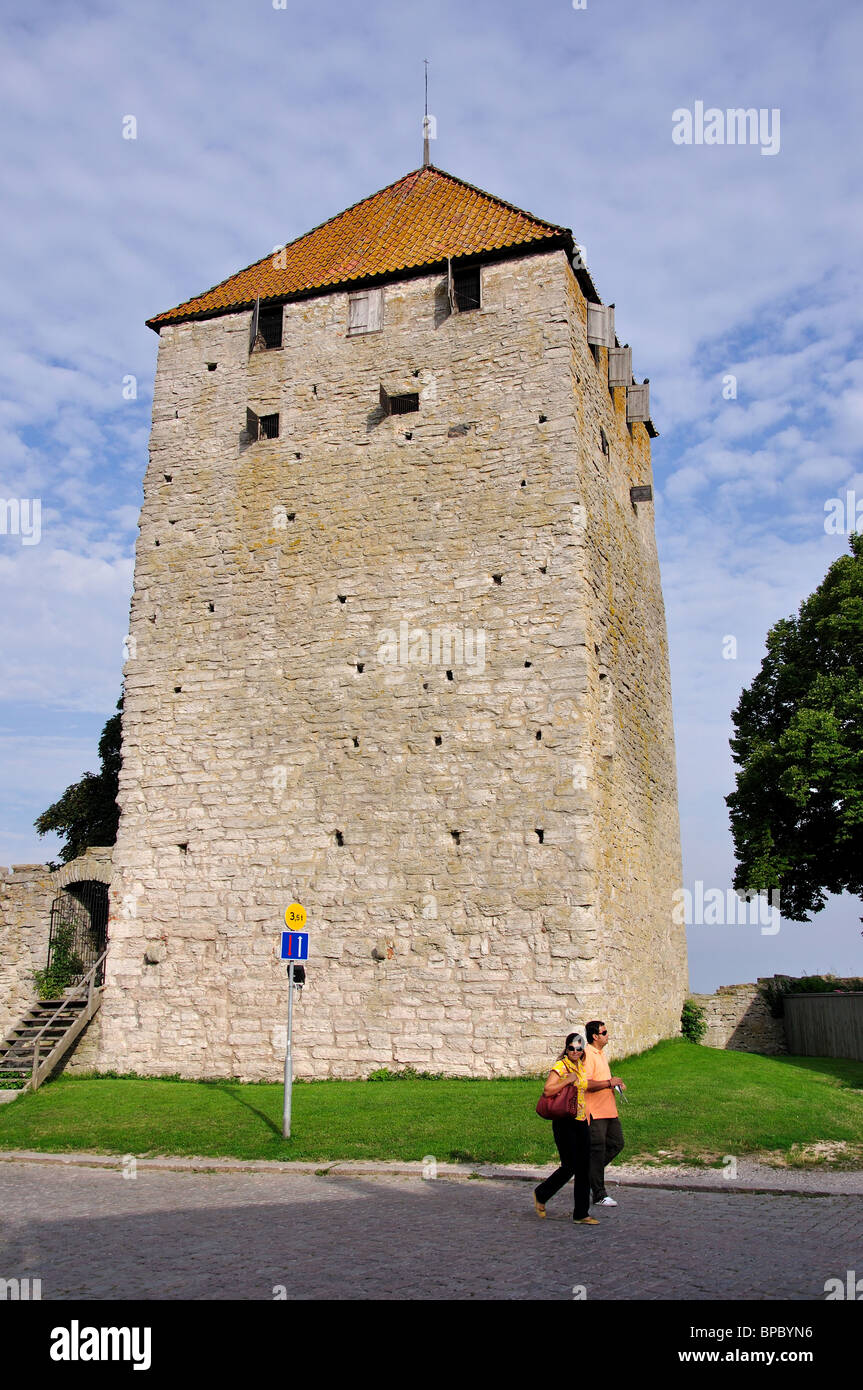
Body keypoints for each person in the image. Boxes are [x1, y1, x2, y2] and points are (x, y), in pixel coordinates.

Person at [533, 1030, 598, 1225]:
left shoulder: (580, 1066)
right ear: (566, 1048)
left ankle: (581, 1213)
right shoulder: (561, 1066)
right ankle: (541, 1194)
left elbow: (585, 1086)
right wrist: (566, 1081)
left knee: (584, 1167)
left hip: (580, 1120)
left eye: (579, 1048)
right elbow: (547, 1090)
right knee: (569, 1166)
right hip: (563, 1121)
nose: (575, 1051)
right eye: (572, 1048)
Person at [584, 1019, 626, 1207]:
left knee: (617, 1143)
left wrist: (615, 1083)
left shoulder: (600, 1053)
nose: (607, 1035)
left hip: (609, 1110)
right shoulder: (587, 1054)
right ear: (595, 1036)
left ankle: (588, 1174)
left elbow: (602, 1079)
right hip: (595, 1112)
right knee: (597, 1151)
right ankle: (599, 1194)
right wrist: (609, 1083)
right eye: (604, 1032)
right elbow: (587, 1083)